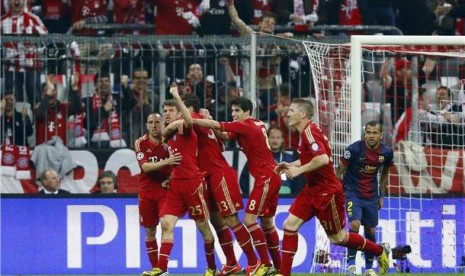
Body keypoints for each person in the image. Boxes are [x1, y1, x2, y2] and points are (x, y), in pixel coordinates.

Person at [274, 98, 390, 276]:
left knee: (338, 238)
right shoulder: (307, 132)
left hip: (327, 192)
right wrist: (292, 165)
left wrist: (298, 171)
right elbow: (315, 157)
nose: (287, 113)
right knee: (289, 225)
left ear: (302, 114)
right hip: (312, 189)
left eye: (291, 110)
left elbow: (323, 159)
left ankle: (379, 251)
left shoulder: (309, 132)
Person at [193, 96, 282, 275]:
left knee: (249, 220)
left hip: (266, 177)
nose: (233, 114)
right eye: (232, 110)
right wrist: (210, 121)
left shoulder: (245, 125)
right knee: (266, 223)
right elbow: (224, 135)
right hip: (271, 175)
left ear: (247, 112)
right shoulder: (254, 124)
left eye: (237, 111)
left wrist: (195, 118)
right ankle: (280, 268)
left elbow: (219, 127)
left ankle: (264, 264)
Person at [144, 85, 217, 276]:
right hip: (176, 185)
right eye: (165, 111)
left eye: (171, 110)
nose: (167, 114)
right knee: (166, 224)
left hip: (192, 183)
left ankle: (211, 267)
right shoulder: (169, 132)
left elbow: (189, 121)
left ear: (179, 111)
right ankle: (161, 270)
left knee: (204, 228)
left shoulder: (185, 128)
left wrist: (177, 96)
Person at [183, 94, 258, 275]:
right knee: (217, 223)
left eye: (178, 108)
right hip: (206, 176)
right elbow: (221, 143)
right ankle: (232, 264)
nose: (176, 113)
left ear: (189, 109)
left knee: (232, 220)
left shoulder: (196, 119)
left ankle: (255, 262)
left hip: (219, 174)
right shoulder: (200, 120)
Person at [335, 120, 394, 276]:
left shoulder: (386, 152)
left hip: (371, 195)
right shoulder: (354, 149)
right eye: (368, 132)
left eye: (375, 133)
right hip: (352, 192)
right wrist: (334, 192)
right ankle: (351, 266)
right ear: (365, 134)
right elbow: (339, 171)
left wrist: (381, 196)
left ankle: (369, 267)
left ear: (381, 135)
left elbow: (385, 174)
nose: (371, 136)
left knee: (370, 230)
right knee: (354, 225)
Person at [134, 112, 182, 276]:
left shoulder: (169, 142)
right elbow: (145, 167)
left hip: (164, 190)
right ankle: (157, 270)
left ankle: (162, 268)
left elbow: (179, 164)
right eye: (150, 122)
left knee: (166, 225)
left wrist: (171, 177)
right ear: (147, 125)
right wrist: (167, 162)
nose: (154, 125)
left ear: (162, 124)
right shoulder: (140, 143)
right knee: (150, 231)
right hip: (146, 191)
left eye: (157, 122)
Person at [1, 0, 48, 106]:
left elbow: (46, 37)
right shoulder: (2, 21)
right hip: (11, 66)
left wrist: (32, 33)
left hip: (31, 65)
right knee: (13, 99)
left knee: (35, 97)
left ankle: (36, 121)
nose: (17, 1)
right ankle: (17, 121)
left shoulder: (33, 19)